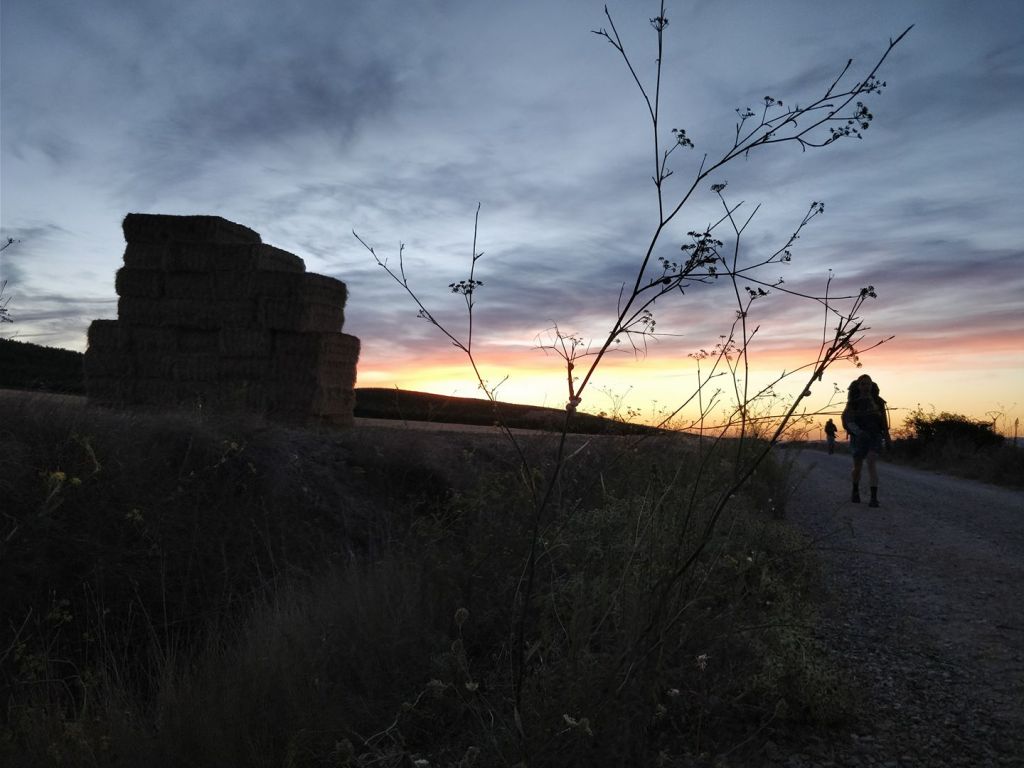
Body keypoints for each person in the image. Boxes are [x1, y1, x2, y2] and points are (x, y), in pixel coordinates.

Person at [841, 374, 890, 507]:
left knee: (871, 462)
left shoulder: (878, 402)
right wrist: (859, 432)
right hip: (858, 439)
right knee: (857, 467)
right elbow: (848, 421)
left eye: (868, 383)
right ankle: (855, 491)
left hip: (875, 437)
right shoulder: (853, 403)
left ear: (871, 385)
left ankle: (873, 498)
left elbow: (884, 421)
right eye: (863, 384)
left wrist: (887, 437)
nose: (866, 386)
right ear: (858, 386)